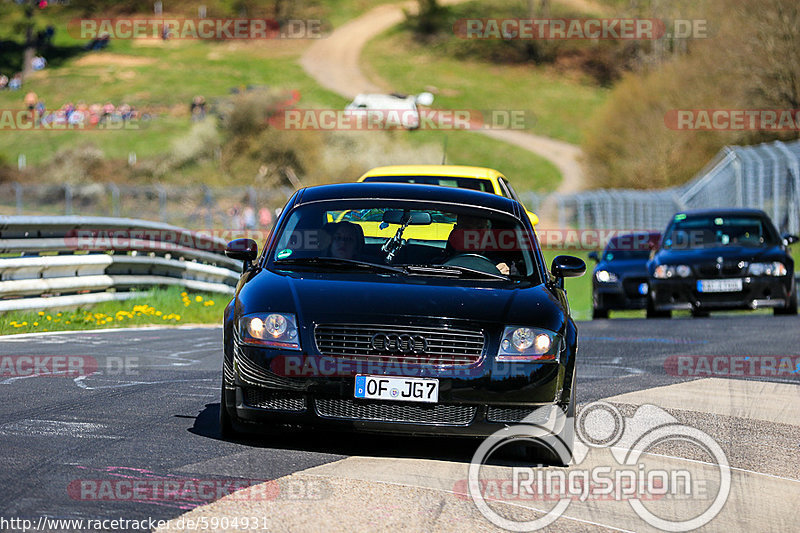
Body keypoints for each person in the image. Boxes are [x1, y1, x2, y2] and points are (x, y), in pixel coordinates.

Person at [444, 214, 517, 275]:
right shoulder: (437, 264)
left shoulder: (502, 265)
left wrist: (507, 274)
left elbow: (519, 282)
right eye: (467, 228)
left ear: (488, 231)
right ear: (456, 231)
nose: (473, 234)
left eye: (480, 228)